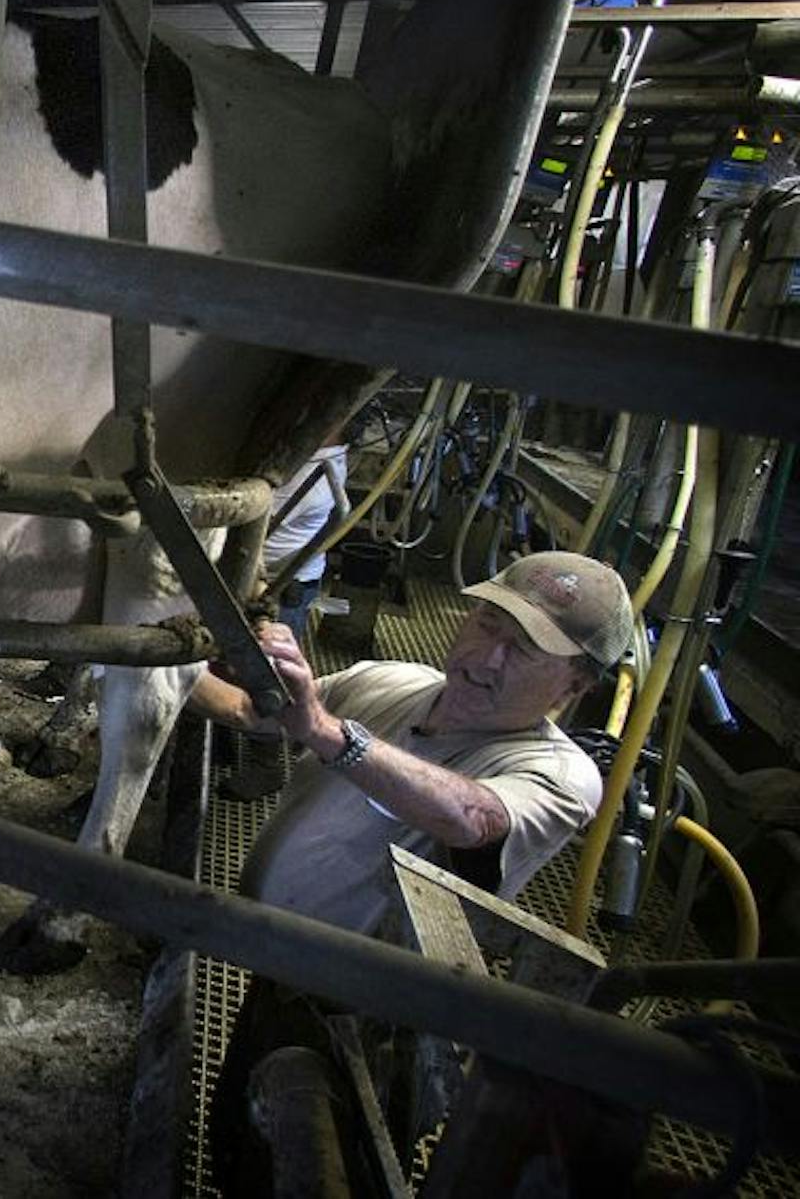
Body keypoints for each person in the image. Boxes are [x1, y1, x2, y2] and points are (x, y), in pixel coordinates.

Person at [193, 549, 632, 1195]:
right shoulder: (390, 680)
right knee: (237, 1144)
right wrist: (163, 665)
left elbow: (471, 818)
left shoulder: (561, 772)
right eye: (488, 623)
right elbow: (252, 711)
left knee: (322, 1168)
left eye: (523, 650)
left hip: (369, 1026)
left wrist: (326, 730)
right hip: (279, 972)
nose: (487, 657)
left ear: (574, 686)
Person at [263, 439, 351, 644]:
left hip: (278, 585)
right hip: (293, 578)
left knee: (267, 654)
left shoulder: (306, 470)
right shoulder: (334, 454)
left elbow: (248, 522)